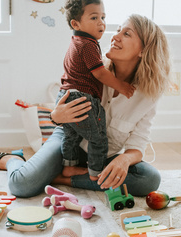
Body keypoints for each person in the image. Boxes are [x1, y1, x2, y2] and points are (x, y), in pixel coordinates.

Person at [0, 14, 170, 198]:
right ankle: (11, 159)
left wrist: (125, 159)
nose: (115, 36)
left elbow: (137, 145)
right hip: (69, 141)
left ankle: (62, 179)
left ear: (143, 50)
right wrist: (55, 116)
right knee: (21, 185)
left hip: (106, 155)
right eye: (117, 30)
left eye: (126, 34)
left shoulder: (148, 95)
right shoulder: (91, 67)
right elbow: (60, 106)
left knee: (149, 179)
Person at [56, 0, 135, 181]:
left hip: (66, 95)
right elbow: (99, 73)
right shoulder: (88, 44)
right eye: (94, 17)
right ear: (75, 24)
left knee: (71, 136)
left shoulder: (76, 41)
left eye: (103, 17)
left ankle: (68, 167)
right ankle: (96, 173)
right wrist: (121, 86)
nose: (101, 22)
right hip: (82, 98)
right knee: (98, 138)